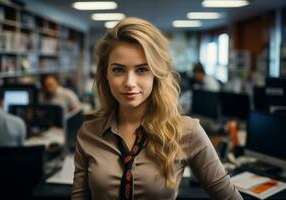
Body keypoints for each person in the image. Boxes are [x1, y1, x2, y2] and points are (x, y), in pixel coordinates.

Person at [72, 17, 242, 200]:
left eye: (142, 70)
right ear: (106, 74)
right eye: (118, 70)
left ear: (157, 74)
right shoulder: (88, 133)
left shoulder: (187, 131)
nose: (129, 83)